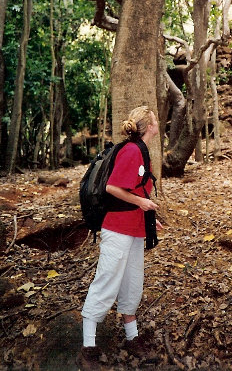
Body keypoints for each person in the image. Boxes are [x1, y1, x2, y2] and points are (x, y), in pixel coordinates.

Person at [76, 106, 162, 371]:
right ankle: (88, 346)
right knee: (107, 281)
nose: (159, 123)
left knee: (132, 283)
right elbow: (112, 187)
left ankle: (132, 337)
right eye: (156, 119)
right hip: (117, 230)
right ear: (149, 126)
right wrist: (141, 202)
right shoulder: (131, 150)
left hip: (134, 229)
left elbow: (134, 190)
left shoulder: (141, 151)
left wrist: (148, 216)